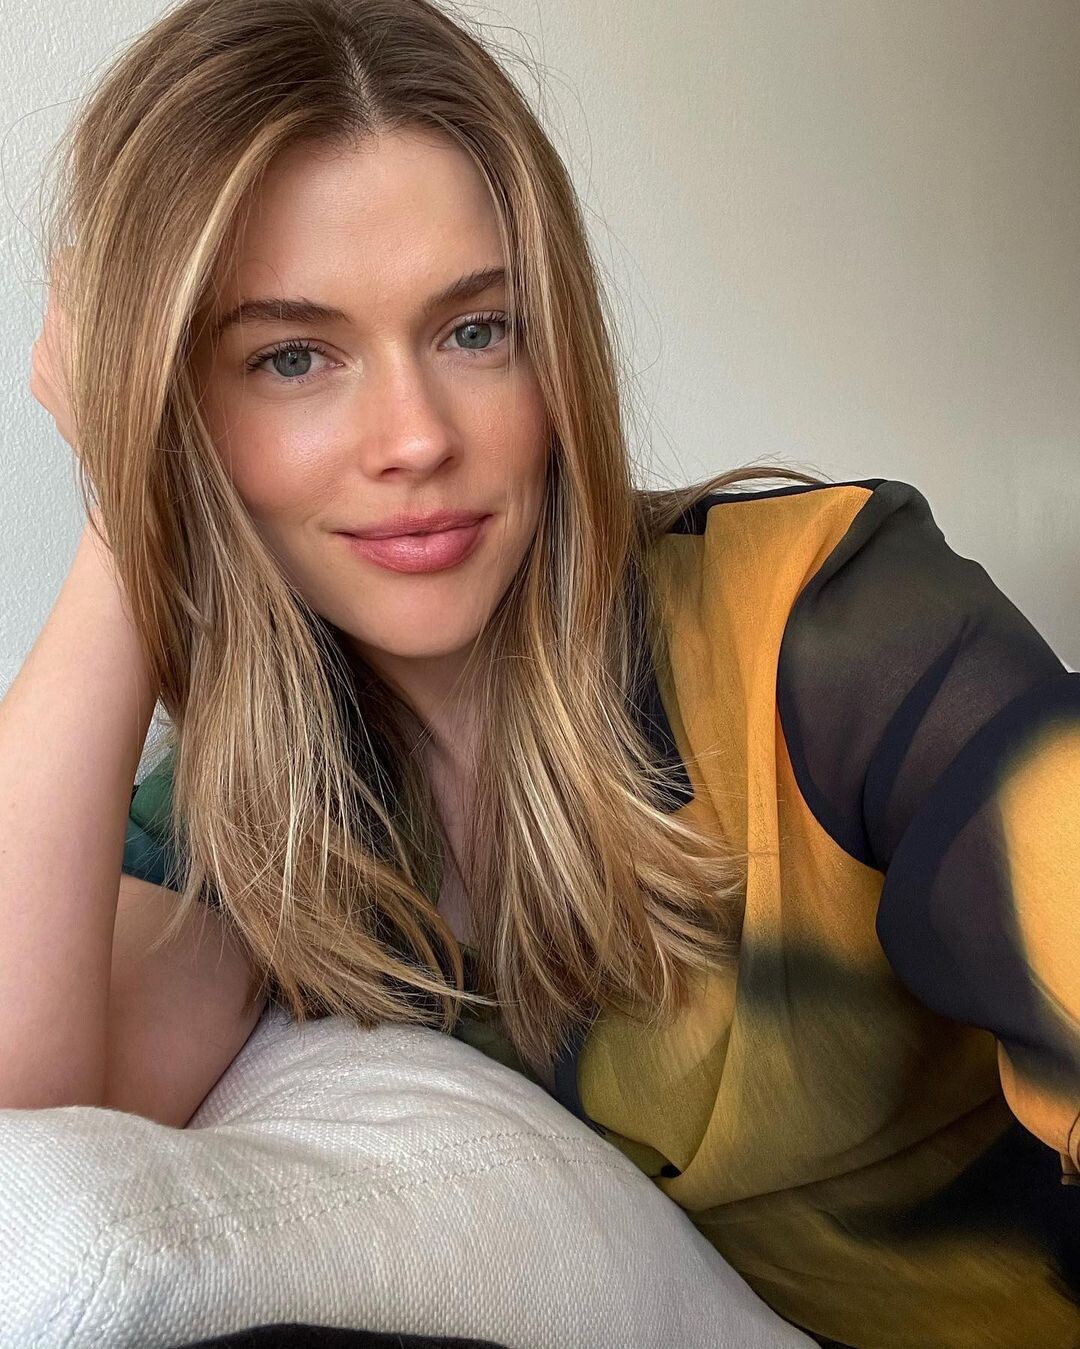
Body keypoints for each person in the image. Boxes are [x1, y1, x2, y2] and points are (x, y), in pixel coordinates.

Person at [5, 0, 1077, 1344]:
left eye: (477, 330)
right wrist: (126, 508)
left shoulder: (834, 628)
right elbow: (30, 1140)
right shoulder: (257, 820)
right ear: (183, 410)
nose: (415, 437)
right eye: (292, 357)